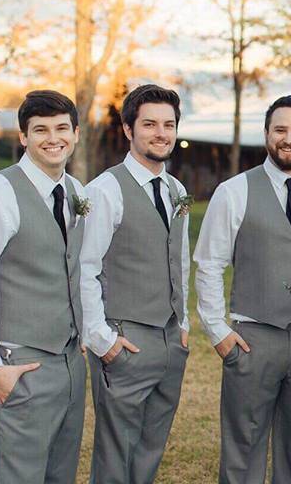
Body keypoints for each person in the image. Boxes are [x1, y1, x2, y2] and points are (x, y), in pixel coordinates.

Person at [194, 95, 291, 484]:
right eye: (280, 129)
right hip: (253, 337)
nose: (288, 138)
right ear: (266, 134)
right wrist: (218, 332)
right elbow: (210, 264)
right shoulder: (234, 192)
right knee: (243, 444)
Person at [0, 90, 87, 484]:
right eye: (40, 129)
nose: (52, 138)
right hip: (18, 364)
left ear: (75, 133)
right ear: (23, 137)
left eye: (62, 128)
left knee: (60, 474)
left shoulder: (77, 192)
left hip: (69, 363)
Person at [80, 84, 192, 484]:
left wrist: (184, 326)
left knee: (151, 447)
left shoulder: (177, 190)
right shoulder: (106, 190)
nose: (161, 133)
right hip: (125, 341)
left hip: (169, 341)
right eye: (149, 124)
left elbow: (179, 260)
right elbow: (85, 268)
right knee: (115, 454)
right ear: (128, 130)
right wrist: (102, 339)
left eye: (168, 124)